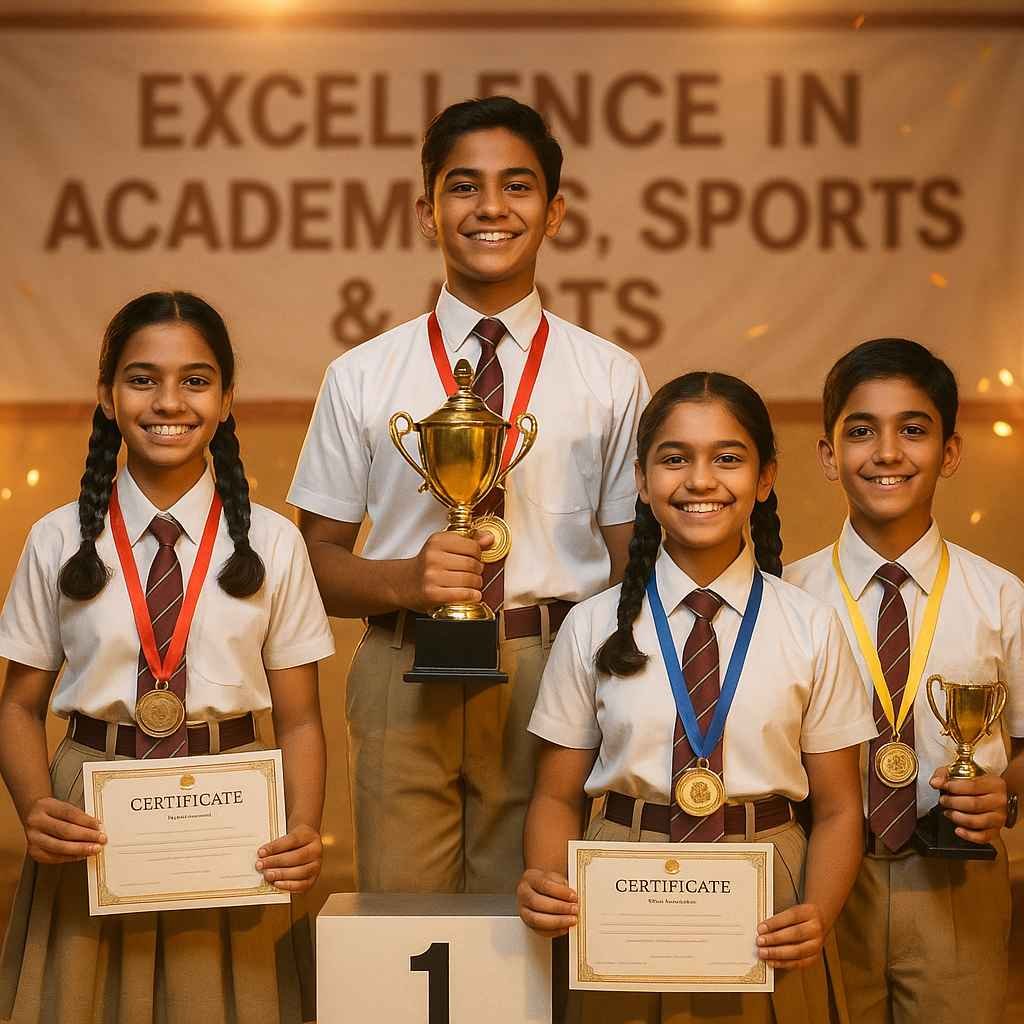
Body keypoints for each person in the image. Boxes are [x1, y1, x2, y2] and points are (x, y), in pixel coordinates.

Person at [288, 96, 650, 894]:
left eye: (517, 187)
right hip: (401, 658)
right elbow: (312, 564)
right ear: (426, 211)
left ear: (554, 213)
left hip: (554, 666)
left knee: (533, 918)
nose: (491, 207)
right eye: (464, 187)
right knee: (403, 917)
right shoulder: (362, 375)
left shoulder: (610, 375)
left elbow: (635, 568)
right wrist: (405, 583)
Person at [0, 291, 335, 1024]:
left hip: (234, 820)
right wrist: (35, 808)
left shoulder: (274, 544)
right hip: (91, 818)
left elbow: (302, 720)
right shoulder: (58, 541)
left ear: (226, 401)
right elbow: (17, 707)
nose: (168, 402)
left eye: (195, 380)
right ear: (106, 396)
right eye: (142, 378)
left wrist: (303, 829)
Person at [517, 371, 875, 1023]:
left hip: (771, 890)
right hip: (619, 888)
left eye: (727, 458)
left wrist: (816, 913)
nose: (700, 480)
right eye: (675, 458)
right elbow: (555, 795)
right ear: (641, 480)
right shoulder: (594, 625)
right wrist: (546, 878)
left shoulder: (811, 626)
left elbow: (842, 809)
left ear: (765, 479)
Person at [784, 338, 1024, 1024]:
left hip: (957, 879)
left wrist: (1002, 795)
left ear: (950, 451)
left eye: (913, 430)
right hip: (821, 879)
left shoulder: (1002, 599)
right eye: (861, 431)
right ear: (830, 456)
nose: (887, 452)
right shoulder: (786, 599)